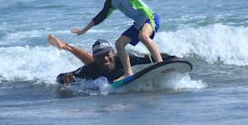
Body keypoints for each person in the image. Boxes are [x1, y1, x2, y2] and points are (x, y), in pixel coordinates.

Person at [71, 0, 175, 79]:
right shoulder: (111, 1)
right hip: (138, 24)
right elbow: (100, 17)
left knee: (143, 36)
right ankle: (128, 72)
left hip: (150, 18)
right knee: (119, 44)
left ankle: (160, 64)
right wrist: (84, 30)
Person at [48, 34, 176, 84]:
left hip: (102, 65)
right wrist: (65, 78)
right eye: (99, 55)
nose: (104, 57)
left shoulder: (123, 59)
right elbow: (60, 77)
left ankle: (66, 46)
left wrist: (171, 58)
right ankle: (65, 46)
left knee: (97, 62)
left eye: (107, 53)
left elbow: (149, 57)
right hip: (95, 66)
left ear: (113, 52)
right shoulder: (90, 69)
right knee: (92, 64)